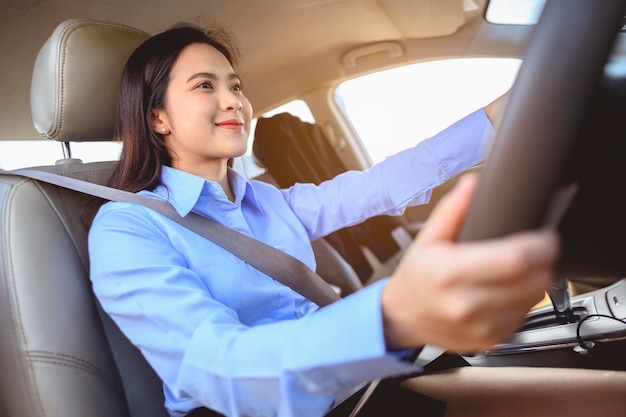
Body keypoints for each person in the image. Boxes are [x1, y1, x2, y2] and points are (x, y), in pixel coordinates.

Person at [88, 23, 559, 417]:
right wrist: (392, 315)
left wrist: (507, 114)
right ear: (157, 119)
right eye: (204, 86)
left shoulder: (270, 202)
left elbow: (381, 184)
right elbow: (220, 367)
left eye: (235, 85)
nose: (234, 100)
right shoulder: (127, 228)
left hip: (353, 384)